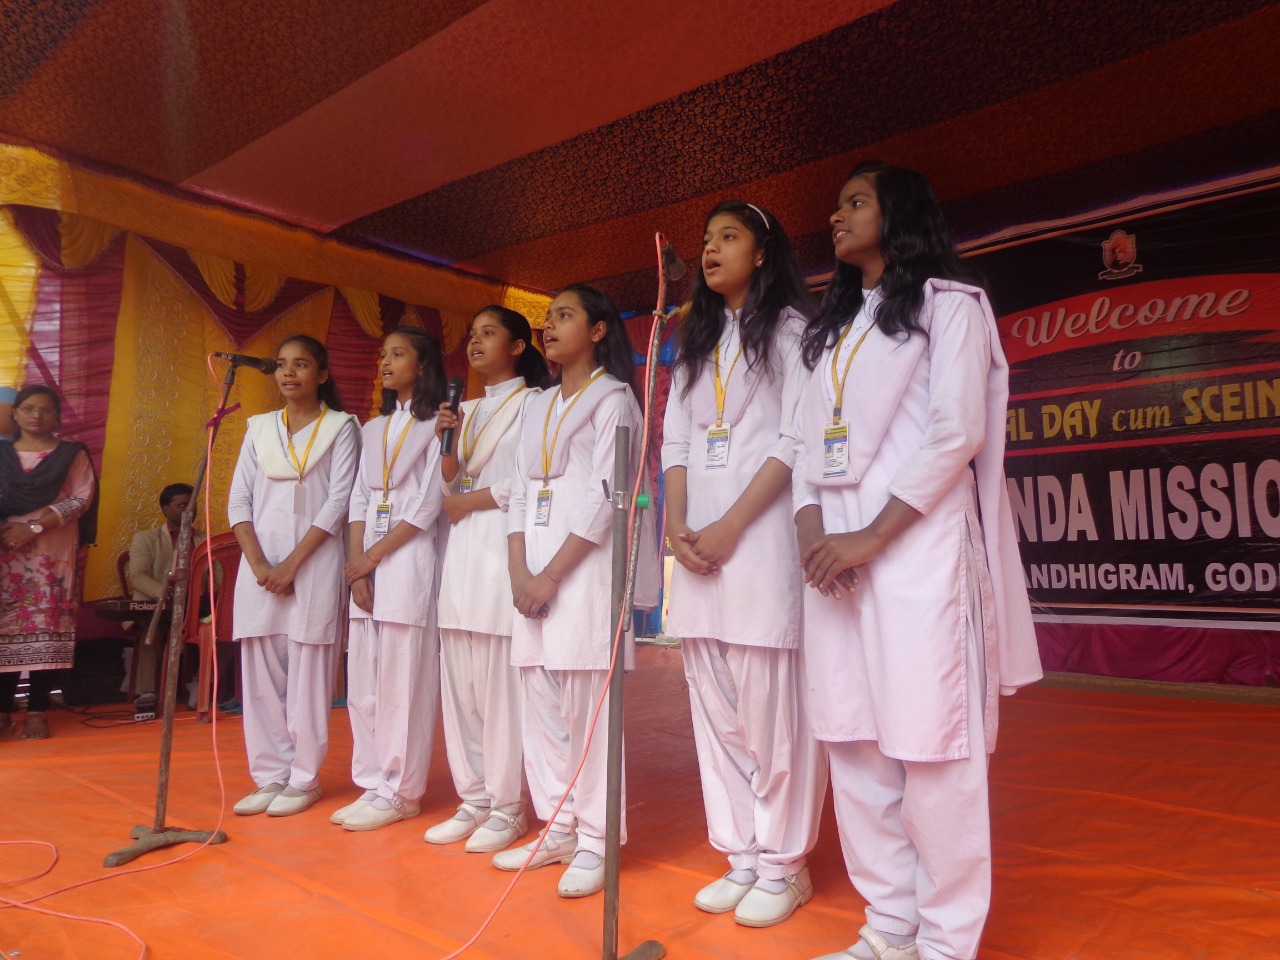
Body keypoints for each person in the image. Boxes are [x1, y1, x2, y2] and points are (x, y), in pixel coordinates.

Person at [791, 163, 1043, 960]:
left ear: (898, 215)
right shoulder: (830, 330)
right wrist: (813, 535)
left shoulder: (950, 305)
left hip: (916, 555)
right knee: (853, 741)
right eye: (837, 205)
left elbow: (954, 433)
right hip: (832, 561)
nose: (837, 216)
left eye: (855, 202)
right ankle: (890, 928)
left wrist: (870, 536)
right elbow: (801, 450)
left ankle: (945, 941)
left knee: (932, 745)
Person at [661, 200, 826, 927]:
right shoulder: (694, 342)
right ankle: (741, 853)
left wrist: (730, 525)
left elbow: (795, 440)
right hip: (697, 543)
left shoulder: (791, 332)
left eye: (728, 237)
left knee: (771, 712)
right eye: (706, 239)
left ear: (762, 253)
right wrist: (674, 523)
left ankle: (785, 865)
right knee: (715, 707)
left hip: (758, 544)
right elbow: (675, 440)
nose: (710, 249)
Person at [494, 284, 656, 899]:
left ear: (597, 330)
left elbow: (604, 499)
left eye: (564, 315)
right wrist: (519, 571)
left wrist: (551, 576)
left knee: (588, 710)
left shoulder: (615, 400)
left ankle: (595, 839)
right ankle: (557, 827)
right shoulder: (536, 404)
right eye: (547, 317)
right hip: (531, 566)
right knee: (540, 703)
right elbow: (517, 491)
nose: (549, 326)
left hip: (581, 571)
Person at [425, 306, 550, 851]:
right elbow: (449, 484)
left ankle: (507, 805)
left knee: (498, 691)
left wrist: (468, 501)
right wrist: (447, 443)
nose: (475, 342)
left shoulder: (537, 404)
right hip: (461, 554)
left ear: (518, 346)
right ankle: (472, 797)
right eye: (471, 334)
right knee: (461, 687)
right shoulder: (464, 409)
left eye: (489, 333)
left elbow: (526, 482)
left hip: (503, 547)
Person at [227, 335, 360, 817]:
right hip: (260, 567)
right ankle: (270, 775)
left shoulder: (342, 427)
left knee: (309, 673)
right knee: (261, 676)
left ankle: (303, 778)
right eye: (282, 364)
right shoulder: (259, 428)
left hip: (314, 563)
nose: (288, 372)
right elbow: (238, 500)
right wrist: (261, 564)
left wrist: (291, 565)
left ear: (321, 375)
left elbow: (339, 501)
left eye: (300, 364)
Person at [331, 326, 447, 832]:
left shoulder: (439, 423)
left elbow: (427, 504)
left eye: (398, 354)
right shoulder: (372, 427)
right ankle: (372, 780)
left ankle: (401, 790)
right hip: (369, 561)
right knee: (364, 681)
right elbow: (359, 498)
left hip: (407, 558)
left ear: (422, 365)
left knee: (403, 680)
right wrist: (357, 562)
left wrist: (372, 557)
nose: (385, 362)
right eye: (383, 354)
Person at [0, 385, 97, 740]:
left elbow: (81, 499)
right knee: (5, 629)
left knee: (46, 626)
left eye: (45, 410)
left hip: (50, 550)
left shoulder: (71, 454)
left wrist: (34, 527)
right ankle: (3, 711)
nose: (36, 415)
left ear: (57, 416)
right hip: (4, 550)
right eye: (28, 408)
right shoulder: (1, 453)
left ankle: (37, 709)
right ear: (15, 413)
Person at [125, 482, 194, 695]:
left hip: (194, 611)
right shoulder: (145, 539)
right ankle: (148, 695)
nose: (189, 510)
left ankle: (203, 688)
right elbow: (137, 576)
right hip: (156, 608)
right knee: (153, 630)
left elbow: (217, 578)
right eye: (182, 505)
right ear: (165, 509)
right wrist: (167, 593)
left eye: (192, 505)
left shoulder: (204, 540)